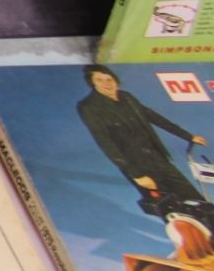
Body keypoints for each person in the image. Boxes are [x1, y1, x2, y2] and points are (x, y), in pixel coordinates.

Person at [77, 64, 212, 258]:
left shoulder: (127, 97)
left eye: (109, 79)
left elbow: (153, 117)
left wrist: (187, 136)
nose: (106, 83)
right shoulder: (89, 107)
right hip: (139, 167)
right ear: (92, 84)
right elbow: (106, 143)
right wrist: (136, 175)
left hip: (158, 158)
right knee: (169, 207)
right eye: (99, 80)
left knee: (194, 199)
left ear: (115, 80)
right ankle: (192, 249)